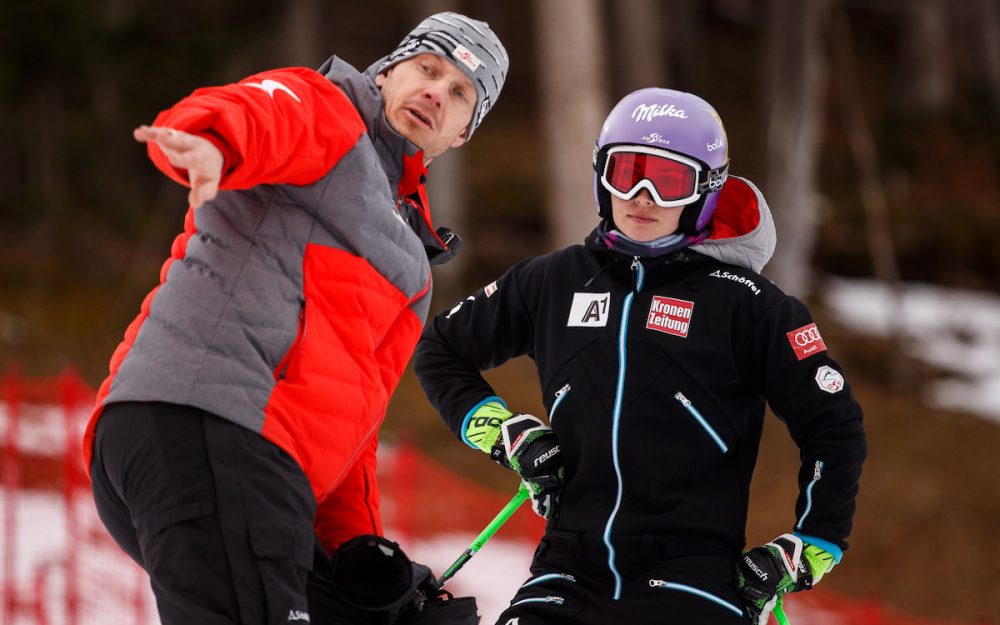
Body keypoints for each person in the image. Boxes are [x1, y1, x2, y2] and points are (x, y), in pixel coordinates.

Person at [83, 12, 508, 625]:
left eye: (461, 93)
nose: (437, 91)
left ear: (463, 132)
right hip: (211, 423)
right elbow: (260, 114)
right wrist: (209, 143)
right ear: (390, 70)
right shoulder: (329, 110)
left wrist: (358, 551)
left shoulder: (412, 262)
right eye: (428, 68)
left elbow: (352, 430)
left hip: (254, 467)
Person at [414, 87, 868, 625]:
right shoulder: (555, 280)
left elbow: (834, 428)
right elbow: (440, 349)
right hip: (566, 571)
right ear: (600, 177)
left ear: (706, 191)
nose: (643, 196)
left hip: (692, 581)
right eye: (626, 173)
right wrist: (509, 435)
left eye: (669, 180)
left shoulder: (749, 305)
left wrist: (808, 547)